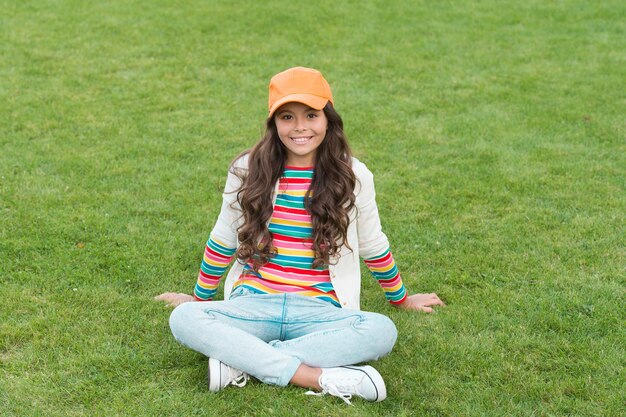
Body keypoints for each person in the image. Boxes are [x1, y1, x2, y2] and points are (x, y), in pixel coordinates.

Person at [156, 67, 445, 405]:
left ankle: (241, 361)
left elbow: (373, 245)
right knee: (185, 318)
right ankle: (316, 377)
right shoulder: (247, 170)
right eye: (287, 117)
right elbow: (223, 240)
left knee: (381, 331)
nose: (300, 127)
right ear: (273, 123)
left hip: (320, 312)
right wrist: (201, 299)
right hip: (254, 304)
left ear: (328, 120)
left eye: (311, 115)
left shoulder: (355, 176)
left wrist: (401, 299)